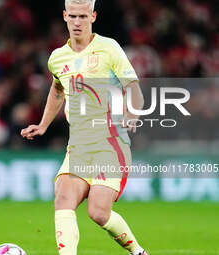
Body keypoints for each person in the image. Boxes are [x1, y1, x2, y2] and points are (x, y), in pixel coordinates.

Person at [21, 0, 148, 254]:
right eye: (73, 17)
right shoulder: (57, 58)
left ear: (93, 16)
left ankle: (138, 252)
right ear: (65, 17)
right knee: (63, 197)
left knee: (98, 212)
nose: (77, 22)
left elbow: (133, 88)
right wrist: (44, 124)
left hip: (110, 142)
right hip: (78, 145)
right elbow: (57, 89)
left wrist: (132, 113)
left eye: (83, 16)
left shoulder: (108, 48)